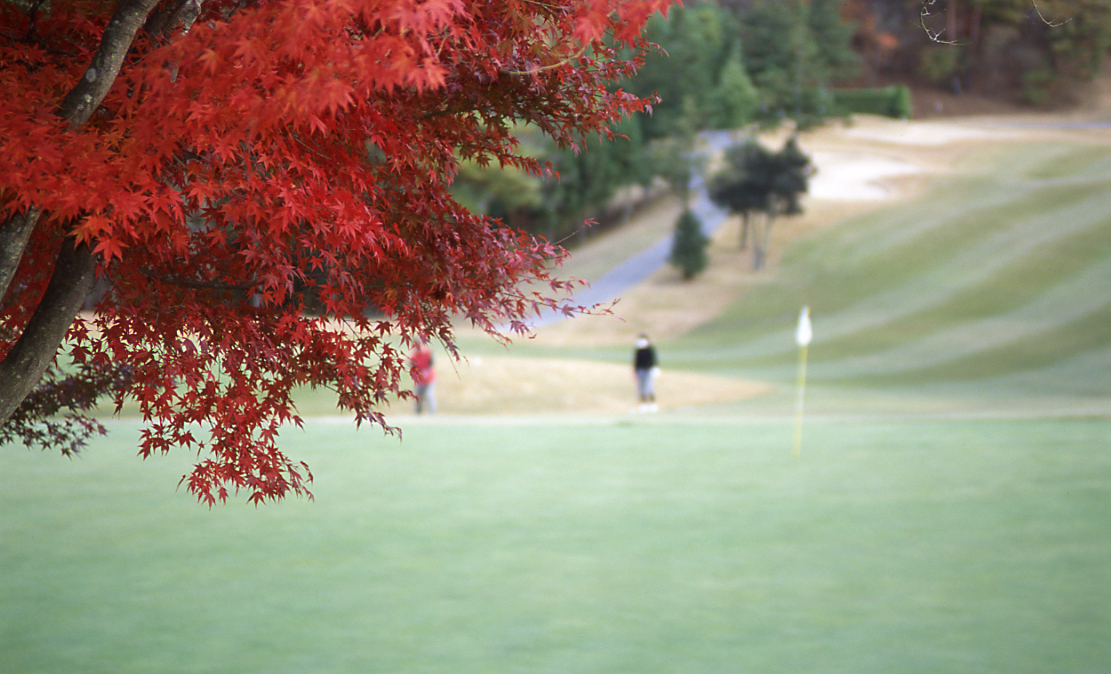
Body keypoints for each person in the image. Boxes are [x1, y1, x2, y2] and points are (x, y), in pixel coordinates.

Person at [633, 333, 658, 412]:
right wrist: (636, 371)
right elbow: (636, 362)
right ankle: (642, 404)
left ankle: (652, 404)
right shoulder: (638, 350)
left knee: (649, 387)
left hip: (648, 370)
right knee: (641, 388)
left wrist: (654, 368)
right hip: (641, 371)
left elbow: (653, 359)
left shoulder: (650, 349)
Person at [409, 340, 436, 414]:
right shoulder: (413, 356)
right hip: (419, 380)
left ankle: (432, 414)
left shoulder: (427, 353)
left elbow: (431, 364)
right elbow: (412, 368)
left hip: (429, 379)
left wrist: (426, 371)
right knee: (418, 397)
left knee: (429, 395)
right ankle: (418, 414)